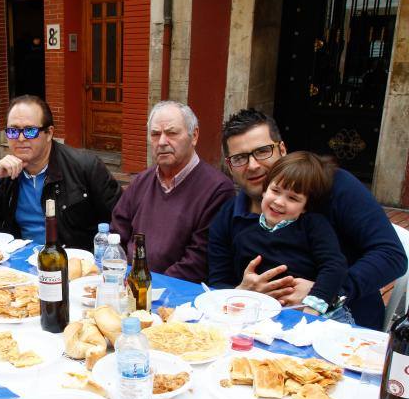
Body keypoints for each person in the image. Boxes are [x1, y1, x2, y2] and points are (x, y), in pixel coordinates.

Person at [211, 108, 407, 329]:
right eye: (239, 158)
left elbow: (392, 256)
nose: (253, 165)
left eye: (263, 151)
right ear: (229, 166)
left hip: (344, 330)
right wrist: (242, 293)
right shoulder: (228, 217)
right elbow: (219, 284)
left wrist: (326, 292)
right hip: (258, 329)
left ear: (282, 149)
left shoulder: (336, 186)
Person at [0, 95, 121, 250]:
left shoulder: (85, 166)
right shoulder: (5, 173)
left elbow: (121, 220)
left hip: (73, 263)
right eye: (13, 131)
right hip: (21, 263)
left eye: (30, 131)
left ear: (49, 133)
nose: (21, 138)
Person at [209, 151, 349, 318]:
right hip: (263, 313)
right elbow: (226, 280)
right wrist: (241, 291)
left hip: (318, 311)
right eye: (275, 191)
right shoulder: (244, 230)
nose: (279, 202)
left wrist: (313, 306)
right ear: (264, 190)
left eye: (293, 198)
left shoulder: (313, 226)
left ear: (305, 206)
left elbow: (334, 265)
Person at [111, 101, 235, 282]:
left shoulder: (217, 189)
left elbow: (197, 263)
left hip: (177, 296)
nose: (162, 142)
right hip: (128, 287)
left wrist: (144, 287)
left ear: (194, 136)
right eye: (155, 134)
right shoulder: (141, 181)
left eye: (171, 133)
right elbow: (116, 235)